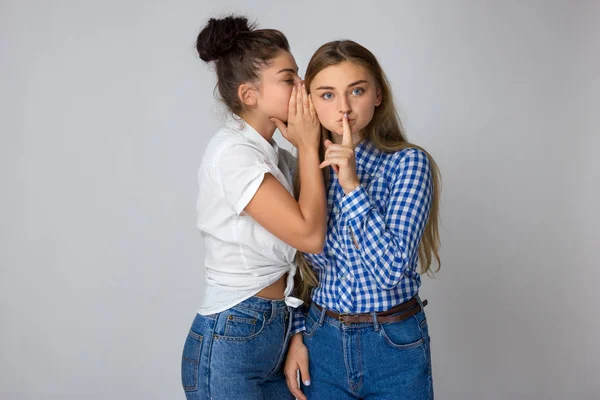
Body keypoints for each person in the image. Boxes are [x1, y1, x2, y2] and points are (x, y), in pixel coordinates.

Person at [285, 40, 442, 400]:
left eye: (356, 90)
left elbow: (390, 272)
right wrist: (297, 334)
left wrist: (352, 185)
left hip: (393, 344)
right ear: (310, 101)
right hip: (321, 340)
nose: (343, 108)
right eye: (326, 95)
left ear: (377, 95)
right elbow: (297, 270)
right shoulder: (306, 171)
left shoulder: (408, 164)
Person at [181, 15, 325, 400]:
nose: (302, 86)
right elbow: (310, 235)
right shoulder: (234, 154)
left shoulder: (272, 155)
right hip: (233, 337)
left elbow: (319, 202)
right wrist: (308, 146)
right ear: (249, 95)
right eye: (288, 77)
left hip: (269, 330)